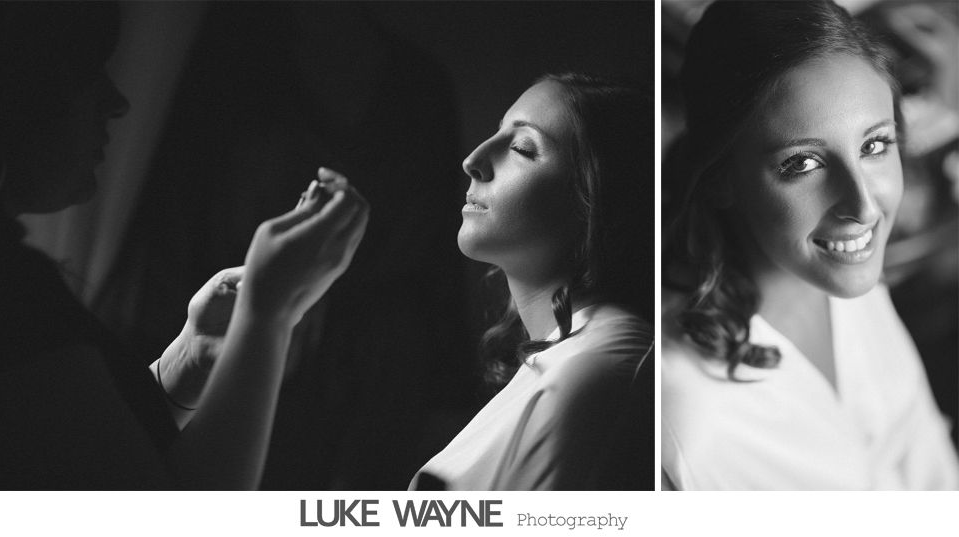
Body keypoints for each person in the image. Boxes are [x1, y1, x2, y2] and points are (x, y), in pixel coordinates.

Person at [0, 3, 369, 489]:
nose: (116, 102)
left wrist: (190, 359)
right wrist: (268, 314)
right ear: (6, 92)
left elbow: (88, 465)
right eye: (87, 74)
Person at [661, 0, 959, 490]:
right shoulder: (690, 426)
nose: (863, 207)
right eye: (801, 164)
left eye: (874, 146)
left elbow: (924, 456)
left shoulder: (848, 276)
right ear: (720, 179)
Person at [409, 73, 654, 490]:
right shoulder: (569, 358)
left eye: (522, 148)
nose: (473, 160)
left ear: (595, 199)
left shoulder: (596, 372)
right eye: (497, 133)